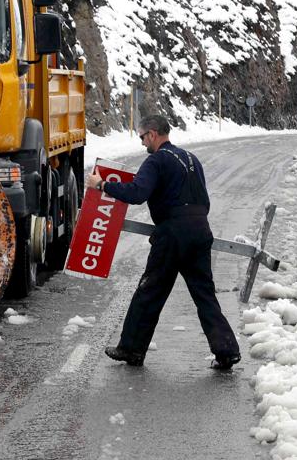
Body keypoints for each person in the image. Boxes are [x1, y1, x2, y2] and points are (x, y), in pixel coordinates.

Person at [88, 115, 241, 371]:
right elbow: (204, 201)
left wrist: (102, 185)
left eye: (142, 137)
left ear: (153, 134)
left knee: (149, 291)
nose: (142, 143)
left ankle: (131, 349)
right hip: (201, 230)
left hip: (173, 234)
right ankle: (227, 352)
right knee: (204, 295)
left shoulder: (156, 160)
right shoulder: (192, 160)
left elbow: (137, 193)